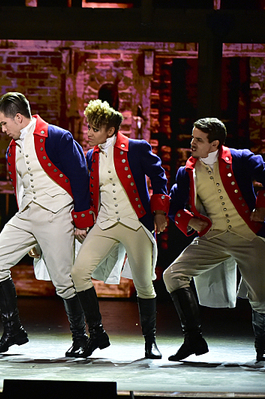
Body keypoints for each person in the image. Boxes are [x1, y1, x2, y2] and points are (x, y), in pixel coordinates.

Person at [0, 92, 94, 356]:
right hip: (28, 214)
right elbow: (21, 187)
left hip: (57, 213)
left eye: (4, 123)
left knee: (64, 280)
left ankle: (80, 337)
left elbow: (80, 177)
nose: (2, 129)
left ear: (18, 118)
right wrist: (32, 238)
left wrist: (81, 218)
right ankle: (13, 331)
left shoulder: (57, 136)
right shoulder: (13, 148)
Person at [70, 99, 170, 359]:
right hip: (105, 223)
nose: (88, 132)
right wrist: (82, 222)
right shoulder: (90, 156)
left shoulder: (136, 148)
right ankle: (98, 333)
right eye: (88, 127)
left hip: (134, 221)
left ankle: (150, 342)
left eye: (94, 128)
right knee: (79, 272)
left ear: (110, 130)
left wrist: (159, 211)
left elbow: (159, 175)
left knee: (144, 283)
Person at [163, 117, 265, 362]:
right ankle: (193, 340)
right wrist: (189, 221)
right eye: (192, 137)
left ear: (214, 144)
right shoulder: (186, 172)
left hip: (248, 236)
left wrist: (262, 206)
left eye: (198, 139)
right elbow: (173, 205)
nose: (192, 143)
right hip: (214, 237)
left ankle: (262, 347)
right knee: (172, 275)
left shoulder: (241, 159)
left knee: (261, 297)